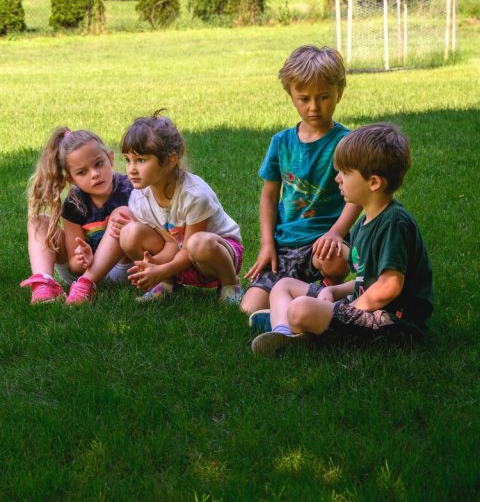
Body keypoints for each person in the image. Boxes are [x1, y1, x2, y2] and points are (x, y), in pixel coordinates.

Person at [251, 123, 433, 357]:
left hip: (394, 322)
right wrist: (335, 292)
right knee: (283, 285)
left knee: (301, 307)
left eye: (345, 173)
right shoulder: (365, 222)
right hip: (363, 305)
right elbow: (366, 279)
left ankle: (294, 324)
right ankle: (284, 332)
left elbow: (388, 286)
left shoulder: (394, 223)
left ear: (374, 182)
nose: (337, 179)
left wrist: (345, 310)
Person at [67, 111, 244, 305]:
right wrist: (153, 267)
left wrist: (162, 268)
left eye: (141, 160)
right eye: (127, 160)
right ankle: (167, 285)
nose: (131, 169)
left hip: (215, 256)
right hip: (180, 256)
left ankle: (230, 286)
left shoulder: (194, 195)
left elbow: (188, 249)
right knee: (129, 232)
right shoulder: (140, 197)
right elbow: (170, 243)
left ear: (169, 161)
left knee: (197, 243)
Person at [241, 46, 360, 329]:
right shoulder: (281, 142)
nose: (314, 107)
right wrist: (267, 244)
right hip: (285, 244)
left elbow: (356, 197)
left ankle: (323, 298)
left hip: (323, 241)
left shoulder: (346, 143)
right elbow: (269, 197)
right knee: (248, 306)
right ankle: (295, 308)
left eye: (323, 97)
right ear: (291, 96)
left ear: (339, 93)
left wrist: (336, 232)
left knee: (332, 258)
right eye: (304, 98)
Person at [20, 128, 133, 304]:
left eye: (98, 164)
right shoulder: (75, 202)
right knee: (39, 221)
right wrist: (83, 259)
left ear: (110, 158)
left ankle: (89, 283)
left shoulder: (130, 190)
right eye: (82, 172)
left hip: (122, 268)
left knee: (122, 214)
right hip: (79, 278)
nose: (94, 174)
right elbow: (73, 264)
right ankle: (44, 285)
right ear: (72, 179)